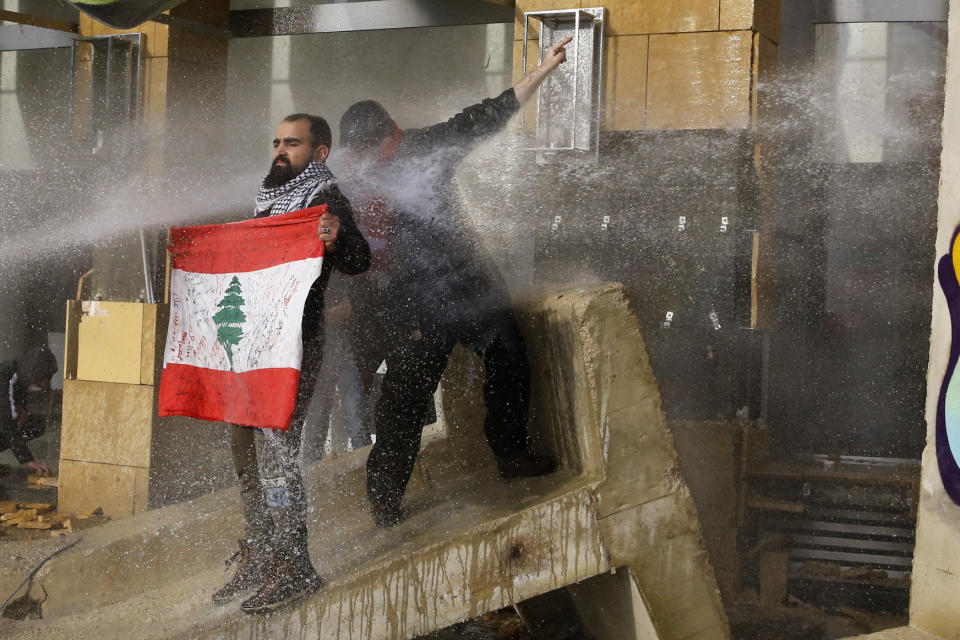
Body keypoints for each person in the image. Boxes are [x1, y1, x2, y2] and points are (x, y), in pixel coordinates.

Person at [338, 36, 574, 527]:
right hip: (413, 301)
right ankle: (384, 497)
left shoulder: (429, 145)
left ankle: (510, 454)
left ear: (390, 136)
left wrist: (546, 67)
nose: (359, 159)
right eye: (352, 151)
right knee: (404, 396)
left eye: (365, 149)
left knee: (510, 357)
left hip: (469, 286)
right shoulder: (352, 180)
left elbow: (490, 113)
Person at [213, 113, 370, 613]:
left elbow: (359, 258)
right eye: (277, 141)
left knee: (279, 449)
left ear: (319, 152)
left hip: (295, 342)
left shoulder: (325, 196)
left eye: (293, 143)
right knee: (241, 438)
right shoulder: (269, 197)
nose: (280, 149)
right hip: (255, 341)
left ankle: (296, 563)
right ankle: (262, 547)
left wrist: (336, 236)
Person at [0, 346, 58, 477]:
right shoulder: (6, 376)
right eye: (42, 379)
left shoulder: (18, 373)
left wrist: (23, 411)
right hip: (3, 421)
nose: (44, 384)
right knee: (10, 427)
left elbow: (17, 400)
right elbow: (6, 422)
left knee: (35, 426)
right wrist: (28, 459)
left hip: (4, 421)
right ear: (32, 372)